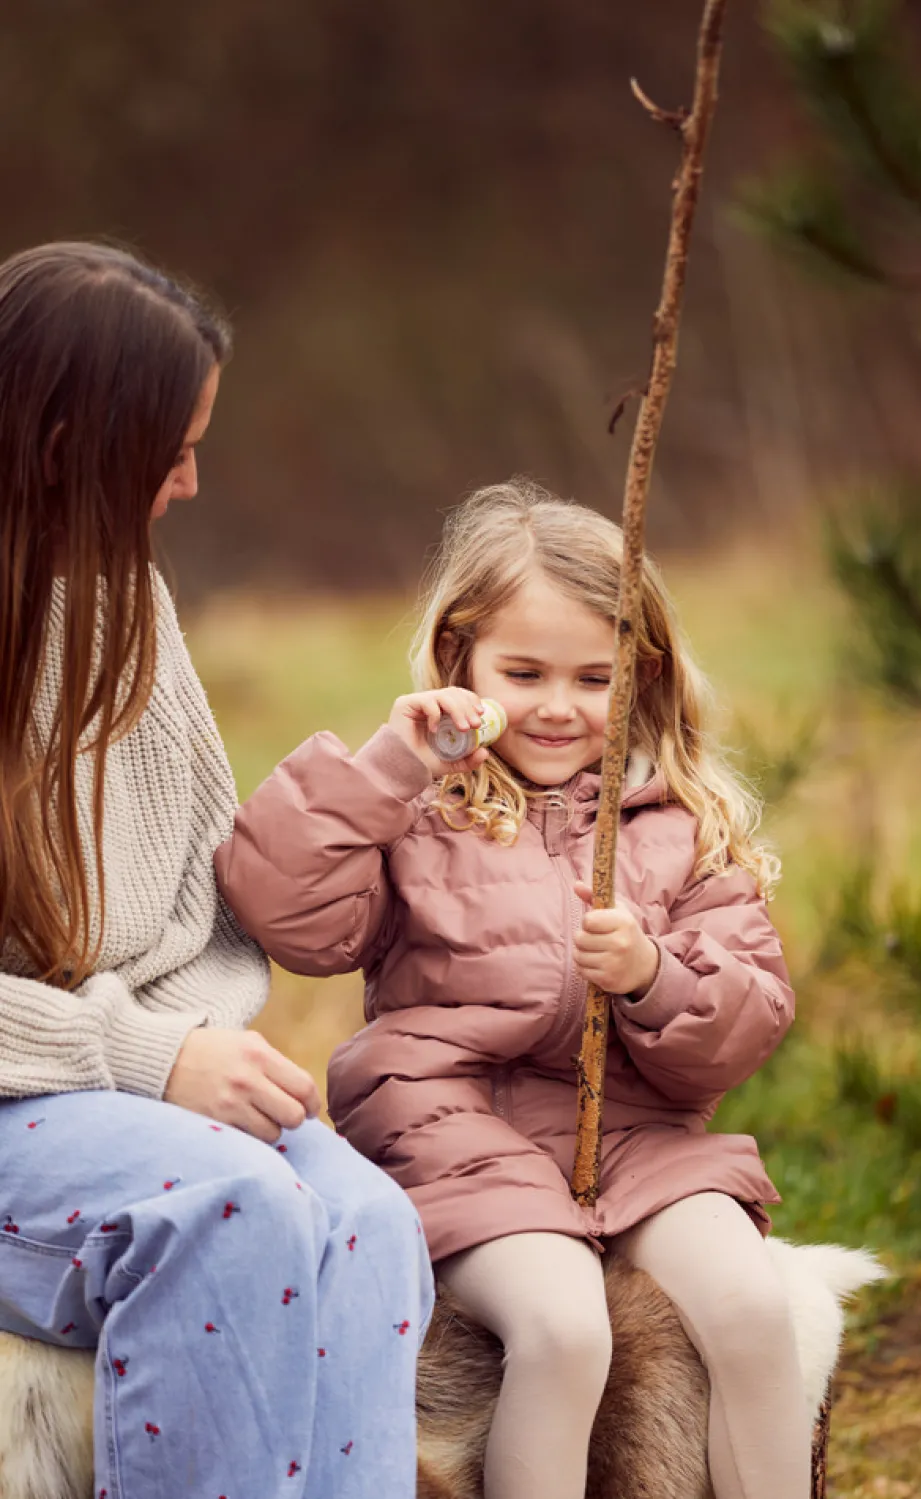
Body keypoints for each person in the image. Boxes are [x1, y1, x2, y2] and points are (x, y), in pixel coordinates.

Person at [216, 479, 813, 1499]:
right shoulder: (417, 806)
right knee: (562, 1324)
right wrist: (389, 764)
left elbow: (747, 1015)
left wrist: (653, 978)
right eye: (524, 670)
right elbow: (286, 910)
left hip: (638, 1136)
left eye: (593, 676)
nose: (556, 704)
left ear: (644, 674)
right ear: (461, 661)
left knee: (755, 1313)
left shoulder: (681, 822)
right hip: (454, 1129)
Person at [0, 241, 432, 1499]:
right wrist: (144, 1057)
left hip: (110, 1094)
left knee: (367, 1221)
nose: (190, 483)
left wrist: (179, 1046)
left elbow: (194, 904)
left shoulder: (128, 601)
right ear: (65, 437)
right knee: (228, 1206)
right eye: (170, 450)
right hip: (45, 1092)